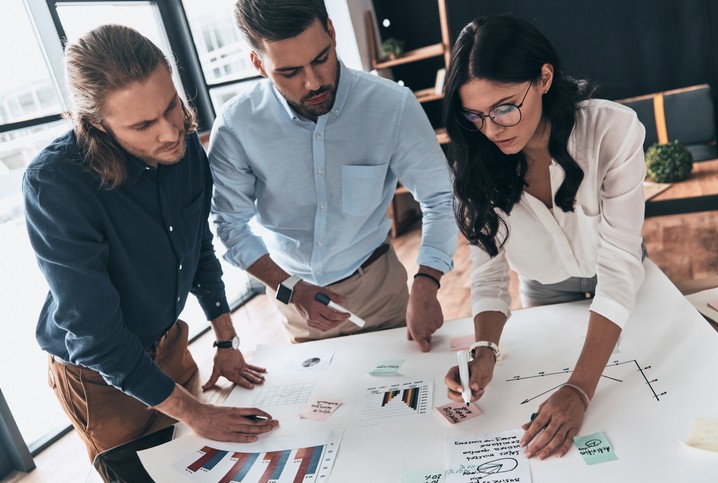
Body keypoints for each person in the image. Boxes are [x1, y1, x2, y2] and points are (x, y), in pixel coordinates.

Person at [22, 24, 278, 472]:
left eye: (171, 106)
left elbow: (198, 249)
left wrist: (225, 340)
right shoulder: (55, 184)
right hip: (98, 375)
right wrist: (197, 413)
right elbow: (96, 339)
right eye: (143, 124)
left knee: (198, 467)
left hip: (169, 343)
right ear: (96, 123)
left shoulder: (183, 147)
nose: (169, 133)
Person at [441, 15, 646, 460]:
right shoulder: (475, 165)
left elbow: (619, 266)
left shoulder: (613, 130)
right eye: (475, 115)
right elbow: (490, 276)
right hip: (545, 292)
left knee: (640, 410)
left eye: (505, 107)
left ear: (545, 78)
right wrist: (484, 347)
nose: (493, 129)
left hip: (624, 282)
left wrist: (579, 388)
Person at [208, 0, 458, 350]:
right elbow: (228, 226)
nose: (313, 83)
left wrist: (428, 280)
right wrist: (290, 289)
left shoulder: (391, 106)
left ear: (332, 32)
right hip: (292, 296)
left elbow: (440, 197)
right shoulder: (237, 127)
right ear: (258, 64)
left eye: (321, 59)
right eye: (290, 72)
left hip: (380, 292)